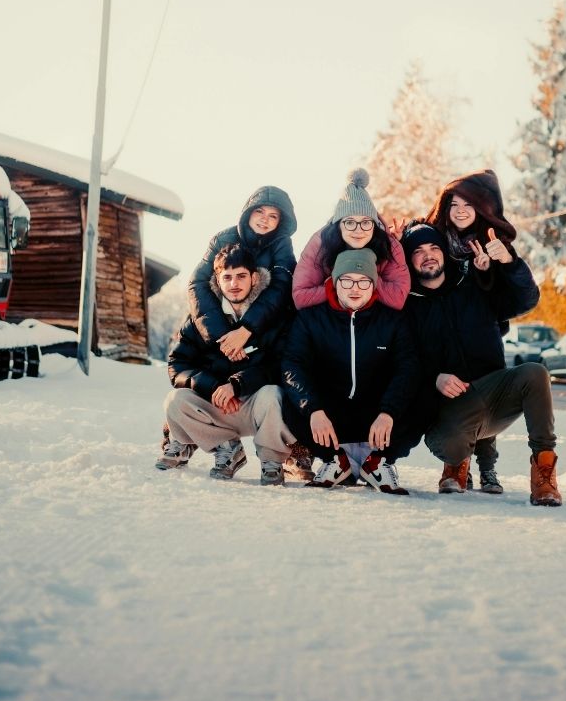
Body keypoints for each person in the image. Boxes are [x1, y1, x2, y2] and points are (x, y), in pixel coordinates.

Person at [401, 221, 562, 506]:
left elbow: (525, 299)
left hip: (494, 394)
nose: (428, 255)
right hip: (450, 410)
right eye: (418, 251)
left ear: (444, 252)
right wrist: (434, 378)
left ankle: (544, 472)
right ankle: (456, 462)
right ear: (408, 258)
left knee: (535, 373)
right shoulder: (407, 306)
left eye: (434, 248)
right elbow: (402, 361)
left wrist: (508, 263)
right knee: (451, 445)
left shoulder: (474, 284)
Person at [187, 184, 312, 481]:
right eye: (260, 212)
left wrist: (247, 330)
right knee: (195, 367)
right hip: (223, 320)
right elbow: (198, 284)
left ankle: (292, 447)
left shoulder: (282, 246)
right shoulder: (223, 238)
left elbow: (281, 288)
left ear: (282, 222)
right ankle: (194, 437)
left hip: (263, 326)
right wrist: (222, 336)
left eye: (273, 215)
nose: (265, 219)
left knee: (285, 372)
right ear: (248, 213)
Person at [282, 248, 421, 494]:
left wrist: (388, 411)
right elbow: (293, 366)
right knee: (288, 399)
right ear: (335, 283)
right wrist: (313, 409)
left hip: (376, 418)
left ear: (373, 285)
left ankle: (378, 463)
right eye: (346, 280)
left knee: (424, 394)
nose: (355, 288)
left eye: (363, 281)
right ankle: (335, 461)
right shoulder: (310, 319)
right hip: (331, 417)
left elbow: (407, 368)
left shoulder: (392, 320)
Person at [157, 244, 297, 485]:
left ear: (254, 278)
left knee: (274, 394)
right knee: (175, 400)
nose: (234, 284)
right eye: (227, 277)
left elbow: (281, 365)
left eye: (241, 276)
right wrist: (211, 386)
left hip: (255, 405)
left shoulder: (272, 317)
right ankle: (227, 448)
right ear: (218, 280)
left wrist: (237, 385)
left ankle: (271, 460)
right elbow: (177, 364)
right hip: (216, 404)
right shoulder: (201, 319)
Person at [422, 169, 518, 493]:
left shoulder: (491, 241)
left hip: (483, 338)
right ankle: (458, 462)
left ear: (480, 208)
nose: (460, 211)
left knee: (485, 401)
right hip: (450, 338)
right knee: (459, 402)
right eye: (454, 205)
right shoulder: (438, 238)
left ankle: (488, 468)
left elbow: (505, 297)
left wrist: (490, 269)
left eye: (468, 204)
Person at [292, 168, 410, 310]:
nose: (358, 230)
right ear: (339, 225)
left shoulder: (390, 245)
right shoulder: (320, 242)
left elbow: (398, 297)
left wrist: (366, 274)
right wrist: (338, 281)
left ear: (374, 225)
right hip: (332, 316)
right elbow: (301, 296)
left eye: (366, 222)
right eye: (350, 222)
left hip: (374, 316)